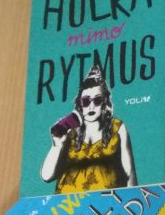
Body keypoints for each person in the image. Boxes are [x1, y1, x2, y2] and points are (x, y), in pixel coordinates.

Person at [40, 64, 136, 193]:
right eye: (86, 101)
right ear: (80, 103)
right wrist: (57, 145)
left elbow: (129, 173)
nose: (91, 106)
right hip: (68, 201)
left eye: (97, 100)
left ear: (105, 102)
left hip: (106, 201)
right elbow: (46, 176)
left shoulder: (117, 128)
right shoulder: (69, 130)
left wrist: (131, 200)